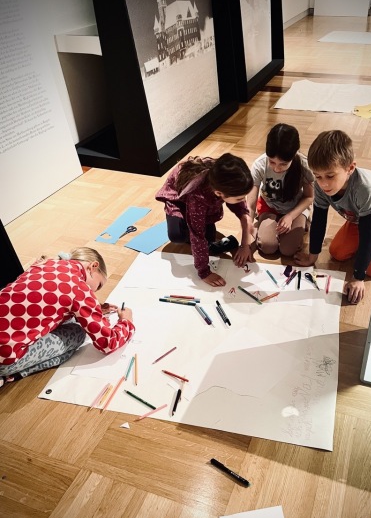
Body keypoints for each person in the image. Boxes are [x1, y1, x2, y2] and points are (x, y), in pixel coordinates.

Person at [295, 130, 371, 305]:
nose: (323, 183)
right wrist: (313, 255)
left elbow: (370, 236)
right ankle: (370, 250)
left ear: (350, 168)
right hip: (360, 217)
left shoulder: (365, 189)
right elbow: (319, 220)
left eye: (330, 176)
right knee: (337, 252)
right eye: (317, 176)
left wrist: (358, 277)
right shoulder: (320, 186)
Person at [0, 247, 134, 387]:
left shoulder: (44, 264)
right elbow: (108, 343)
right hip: (5, 360)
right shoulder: (79, 288)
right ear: (93, 266)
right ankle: (9, 375)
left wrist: (94, 308)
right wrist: (126, 321)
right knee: (78, 333)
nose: (95, 291)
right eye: (99, 285)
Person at [156, 153, 255, 287]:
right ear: (219, 193)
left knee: (208, 240)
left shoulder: (223, 180)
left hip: (205, 199)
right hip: (178, 200)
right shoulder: (198, 197)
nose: (242, 200)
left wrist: (245, 243)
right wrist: (204, 272)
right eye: (239, 198)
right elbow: (197, 235)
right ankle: (182, 223)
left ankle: (208, 232)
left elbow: (240, 209)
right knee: (178, 236)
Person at [247, 123, 314, 258]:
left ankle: (305, 218)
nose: (277, 168)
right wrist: (247, 230)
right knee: (267, 246)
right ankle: (268, 223)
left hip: (295, 208)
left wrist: (291, 216)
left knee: (288, 250)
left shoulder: (304, 166)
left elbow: (309, 197)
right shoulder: (259, 165)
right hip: (270, 206)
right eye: (272, 162)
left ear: (294, 154)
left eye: (283, 164)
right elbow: (251, 203)